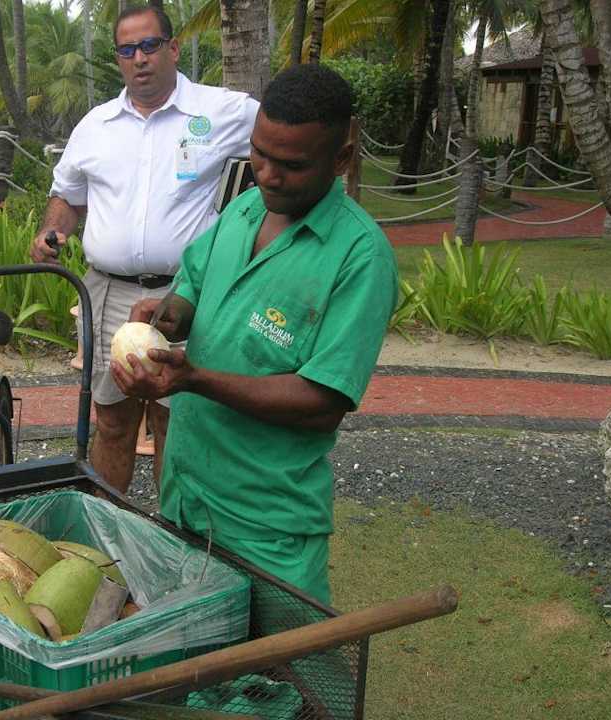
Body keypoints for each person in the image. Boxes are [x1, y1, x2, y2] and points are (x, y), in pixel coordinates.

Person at [111, 64, 398, 606]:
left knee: (289, 680)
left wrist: (194, 380)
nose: (267, 174)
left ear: (341, 159)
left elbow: (322, 401)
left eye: (291, 164)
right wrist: (171, 313)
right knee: (194, 671)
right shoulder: (246, 208)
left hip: (267, 523)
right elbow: (194, 286)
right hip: (186, 498)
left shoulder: (360, 258)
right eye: (259, 153)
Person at [30, 4, 259, 494]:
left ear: (173, 48)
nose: (140, 58)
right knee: (111, 420)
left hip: (187, 296)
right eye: (127, 49)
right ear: (118, 59)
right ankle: (107, 535)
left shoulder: (225, 111)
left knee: (174, 426)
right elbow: (67, 195)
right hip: (109, 295)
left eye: (150, 45)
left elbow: (292, 140)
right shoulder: (96, 125)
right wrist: (53, 232)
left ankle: (172, 542)